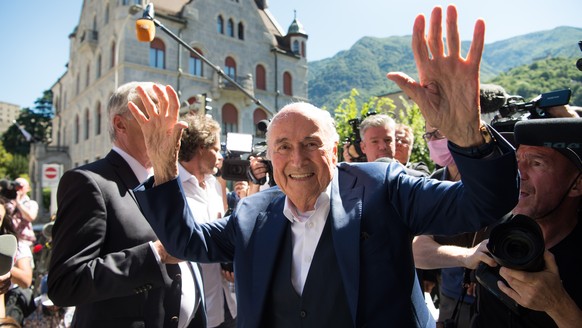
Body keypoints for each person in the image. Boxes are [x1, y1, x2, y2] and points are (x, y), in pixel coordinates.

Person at [129, 5, 519, 327]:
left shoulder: (385, 187)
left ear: (334, 151)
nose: (297, 159)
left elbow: (484, 204)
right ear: (270, 156)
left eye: (311, 144)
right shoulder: (251, 213)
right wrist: (164, 170)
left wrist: (468, 134)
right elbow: (186, 242)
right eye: (283, 147)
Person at [47, 82, 205, 328]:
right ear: (120, 124)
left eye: (169, 114)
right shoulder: (89, 183)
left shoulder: (168, 181)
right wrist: (156, 255)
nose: (167, 124)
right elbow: (66, 283)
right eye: (153, 113)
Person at [466, 117, 582, 328]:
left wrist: (558, 305)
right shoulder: (495, 226)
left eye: (537, 163)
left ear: (577, 185)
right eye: (516, 161)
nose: (518, 174)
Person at [413, 123, 478, 328]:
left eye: (440, 133)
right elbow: (419, 250)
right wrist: (470, 258)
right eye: (429, 135)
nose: (434, 140)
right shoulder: (434, 184)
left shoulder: (487, 181)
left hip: (496, 296)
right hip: (451, 295)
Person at [177, 113, 237, 328]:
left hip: (229, 304)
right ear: (201, 147)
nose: (220, 156)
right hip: (197, 312)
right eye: (216, 149)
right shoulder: (171, 189)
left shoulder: (213, 184)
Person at [9, 178, 38, 247]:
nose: (18, 189)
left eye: (21, 186)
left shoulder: (31, 203)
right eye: (15, 186)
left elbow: (30, 217)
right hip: (9, 240)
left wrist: (18, 203)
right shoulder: (7, 203)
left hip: (25, 241)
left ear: (28, 188)